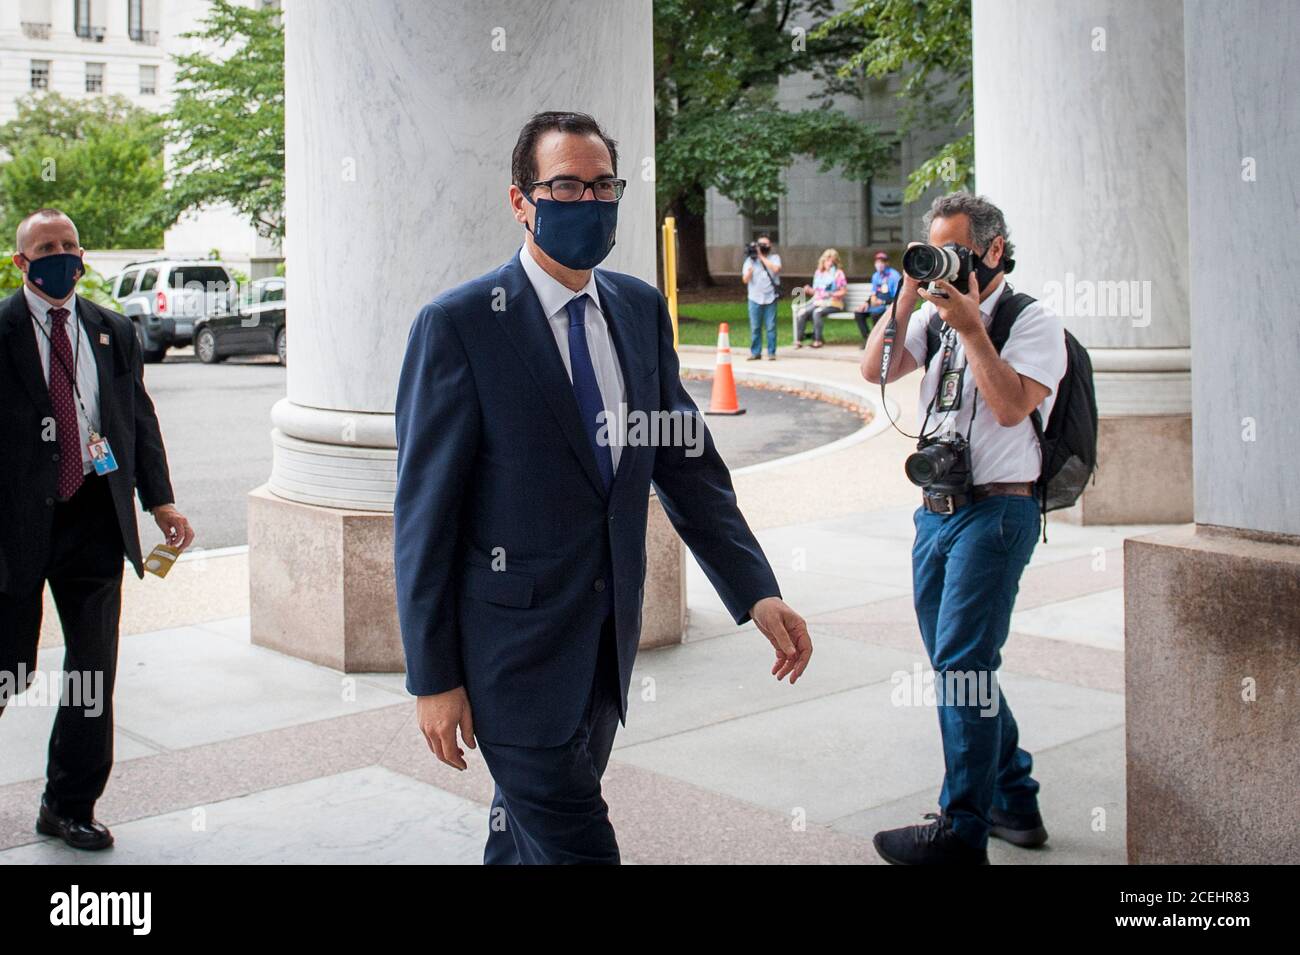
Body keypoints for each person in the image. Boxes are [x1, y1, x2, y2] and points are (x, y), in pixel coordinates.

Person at [393, 111, 812, 865]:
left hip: (603, 652)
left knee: (526, 844)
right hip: (510, 661)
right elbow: (424, 519)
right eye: (565, 187)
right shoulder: (459, 326)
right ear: (520, 201)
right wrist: (433, 676)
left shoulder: (638, 308)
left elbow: (686, 464)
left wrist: (755, 588)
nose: (588, 203)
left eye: (602, 186)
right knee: (581, 847)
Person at [860, 192, 1066, 865]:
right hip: (937, 510)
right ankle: (1015, 798)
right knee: (960, 667)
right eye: (934, 250)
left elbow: (1010, 409)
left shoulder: (1031, 321)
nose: (942, 265)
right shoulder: (932, 316)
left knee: (961, 668)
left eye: (954, 250)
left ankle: (961, 830)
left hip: (998, 512)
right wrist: (906, 292)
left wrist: (975, 328)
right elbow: (876, 368)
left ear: (993, 249)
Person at [0, 208, 194, 851]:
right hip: (12, 528)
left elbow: (136, 420)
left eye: (70, 244)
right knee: (7, 668)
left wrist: (160, 502)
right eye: (46, 247)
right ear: (21, 262)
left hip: (92, 520)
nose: (62, 255)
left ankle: (68, 803)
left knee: (91, 673)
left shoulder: (112, 331)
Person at [795, 248, 847, 349]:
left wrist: (831, 294)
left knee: (817, 312)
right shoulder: (819, 273)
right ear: (823, 261)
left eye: (832, 261)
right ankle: (799, 340)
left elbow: (843, 291)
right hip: (818, 302)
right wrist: (809, 290)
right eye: (828, 260)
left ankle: (817, 340)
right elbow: (817, 292)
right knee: (802, 312)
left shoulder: (838, 273)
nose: (830, 263)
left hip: (833, 303)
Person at [741, 234, 782, 360]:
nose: (763, 247)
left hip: (770, 297)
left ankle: (771, 352)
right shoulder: (749, 260)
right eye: (761, 244)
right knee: (755, 327)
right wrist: (749, 273)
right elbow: (745, 280)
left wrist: (761, 257)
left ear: (770, 246)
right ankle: (755, 352)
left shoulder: (774, 258)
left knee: (771, 326)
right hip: (754, 298)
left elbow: (776, 269)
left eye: (766, 244)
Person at [855, 250, 901, 345]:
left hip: (888, 303)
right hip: (876, 303)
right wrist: (866, 303)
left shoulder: (894, 276)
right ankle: (868, 339)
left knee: (875, 314)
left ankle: (877, 341)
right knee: (859, 313)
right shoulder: (876, 276)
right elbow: (874, 292)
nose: (879, 264)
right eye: (877, 262)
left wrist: (882, 302)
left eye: (882, 262)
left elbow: (897, 297)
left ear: (887, 263)